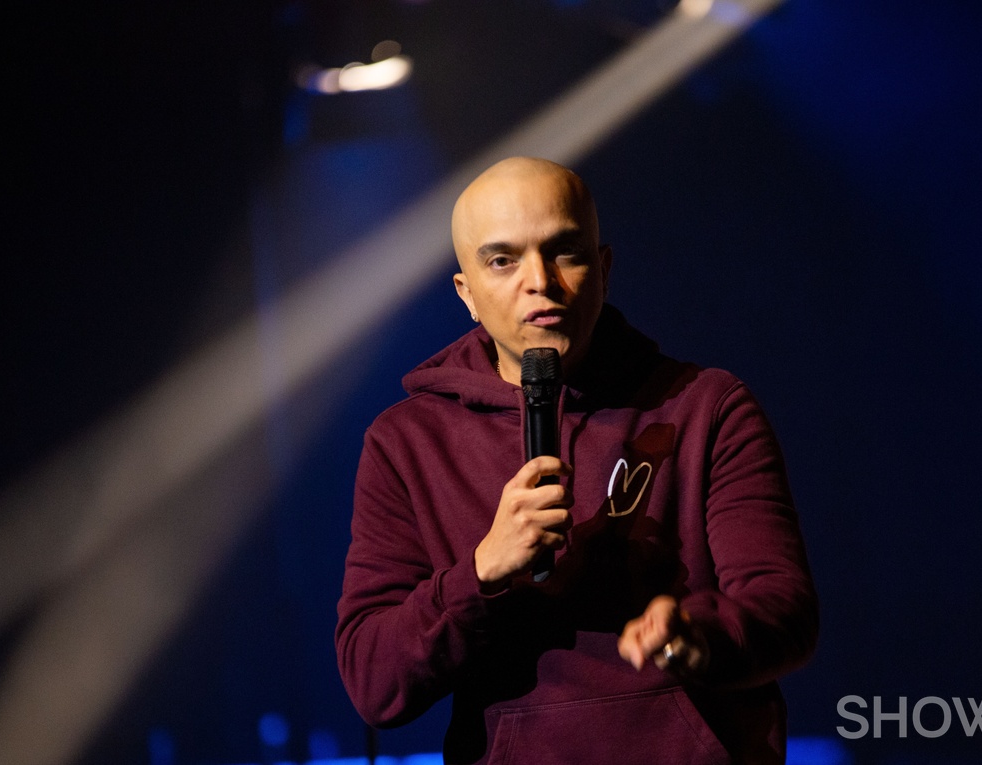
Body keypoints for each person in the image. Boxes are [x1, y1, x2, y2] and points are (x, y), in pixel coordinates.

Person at [335, 157, 817, 764]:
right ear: (467, 295)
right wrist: (481, 571)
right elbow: (374, 684)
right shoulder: (406, 442)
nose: (540, 280)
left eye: (564, 251)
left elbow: (785, 609)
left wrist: (699, 633)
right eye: (502, 260)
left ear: (604, 268)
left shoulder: (707, 408)